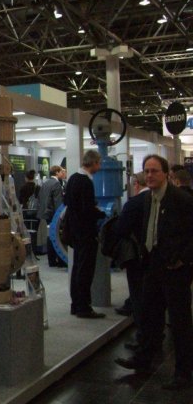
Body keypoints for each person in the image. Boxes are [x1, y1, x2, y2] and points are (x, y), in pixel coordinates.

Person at [115, 155, 193, 391]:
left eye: (154, 171)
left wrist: (182, 259)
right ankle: (143, 360)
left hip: (175, 269)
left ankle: (183, 372)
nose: (149, 175)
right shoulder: (148, 198)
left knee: (179, 322)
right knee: (149, 315)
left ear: (166, 174)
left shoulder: (181, 200)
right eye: (146, 171)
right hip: (153, 265)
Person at [64, 150, 106, 318]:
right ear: (93, 163)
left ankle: (76, 304)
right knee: (86, 270)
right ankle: (84, 307)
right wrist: (101, 213)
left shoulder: (73, 178)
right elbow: (86, 209)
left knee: (77, 268)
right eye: (99, 163)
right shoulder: (86, 182)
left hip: (75, 232)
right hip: (85, 233)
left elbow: (68, 203)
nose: (99, 167)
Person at [113, 172, 149, 341]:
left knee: (138, 294)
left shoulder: (134, 203)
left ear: (136, 185)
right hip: (156, 258)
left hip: (136, 257)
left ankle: (143, 337)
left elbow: (121, 229)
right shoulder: (159, 201)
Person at [36, 166, 66, 267]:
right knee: (57, 236)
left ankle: (51, 260)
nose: (63, 173)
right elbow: (58, 202)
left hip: (45, 214)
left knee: (50, 235)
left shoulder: (45, 183)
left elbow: (40, 198)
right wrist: (61, 216)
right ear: (57, 172)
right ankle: (60, 261)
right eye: (61, 172)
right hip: (53, 214)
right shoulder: (56, 184)